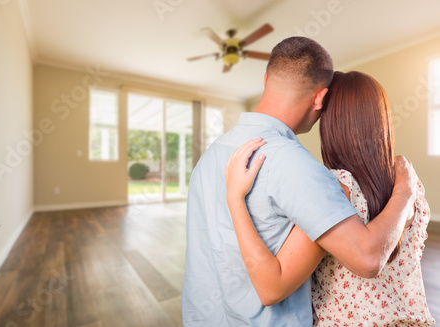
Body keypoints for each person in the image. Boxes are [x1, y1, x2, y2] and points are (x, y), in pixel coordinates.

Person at [182, 36, 418, 326]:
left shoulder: (212, 154)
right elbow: (368, 259)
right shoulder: (295, 164)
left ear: (267, 78)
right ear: (320, 98)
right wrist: (405, 190)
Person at [225, 71, 435, 326]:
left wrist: (235, 198)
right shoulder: (409, 182)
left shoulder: (336, 188)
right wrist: (405, 191)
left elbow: (272, 287)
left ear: (332, 124)